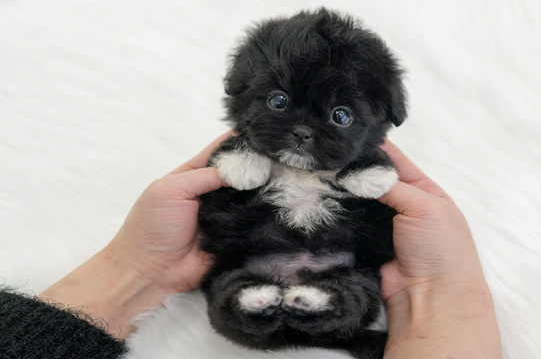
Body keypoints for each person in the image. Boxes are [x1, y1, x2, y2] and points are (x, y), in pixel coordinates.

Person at [0, 133, 502, 358]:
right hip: (250, 263)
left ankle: (322, 306)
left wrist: (135, 268)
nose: (304, 127)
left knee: (352, 290)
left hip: (342, 264)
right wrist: (443, 292)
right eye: (278, 104)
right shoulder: (248, 153)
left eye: (339, 113)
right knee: (233, 289)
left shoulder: (356, 162)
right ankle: (252, 307)